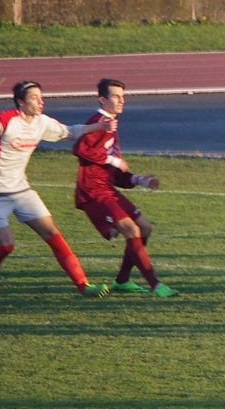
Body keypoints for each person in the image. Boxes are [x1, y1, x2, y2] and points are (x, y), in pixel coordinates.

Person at [0, 80, 116, 297]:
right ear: (20, 102)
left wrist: (99, 126)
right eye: (35, 98)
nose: (40, 102)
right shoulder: (4, 120)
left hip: (21, 190)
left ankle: (84, 285)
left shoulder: (41, 122)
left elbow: (68, 131)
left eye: (41, 97)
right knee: (6, 246)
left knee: (53, 234)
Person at [71, 78, 176, 297]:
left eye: (123, 96)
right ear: (102, 99)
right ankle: (156, 285)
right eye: (116, 96)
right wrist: (114, 161)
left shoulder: (111, 125)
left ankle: (122, 280)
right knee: (132, 230)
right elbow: (80, 149)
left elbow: (115, 174)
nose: (121, 101)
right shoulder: (99, 121)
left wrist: (140, 180)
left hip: (107, 189)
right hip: (93, 192)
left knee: (145, 228)